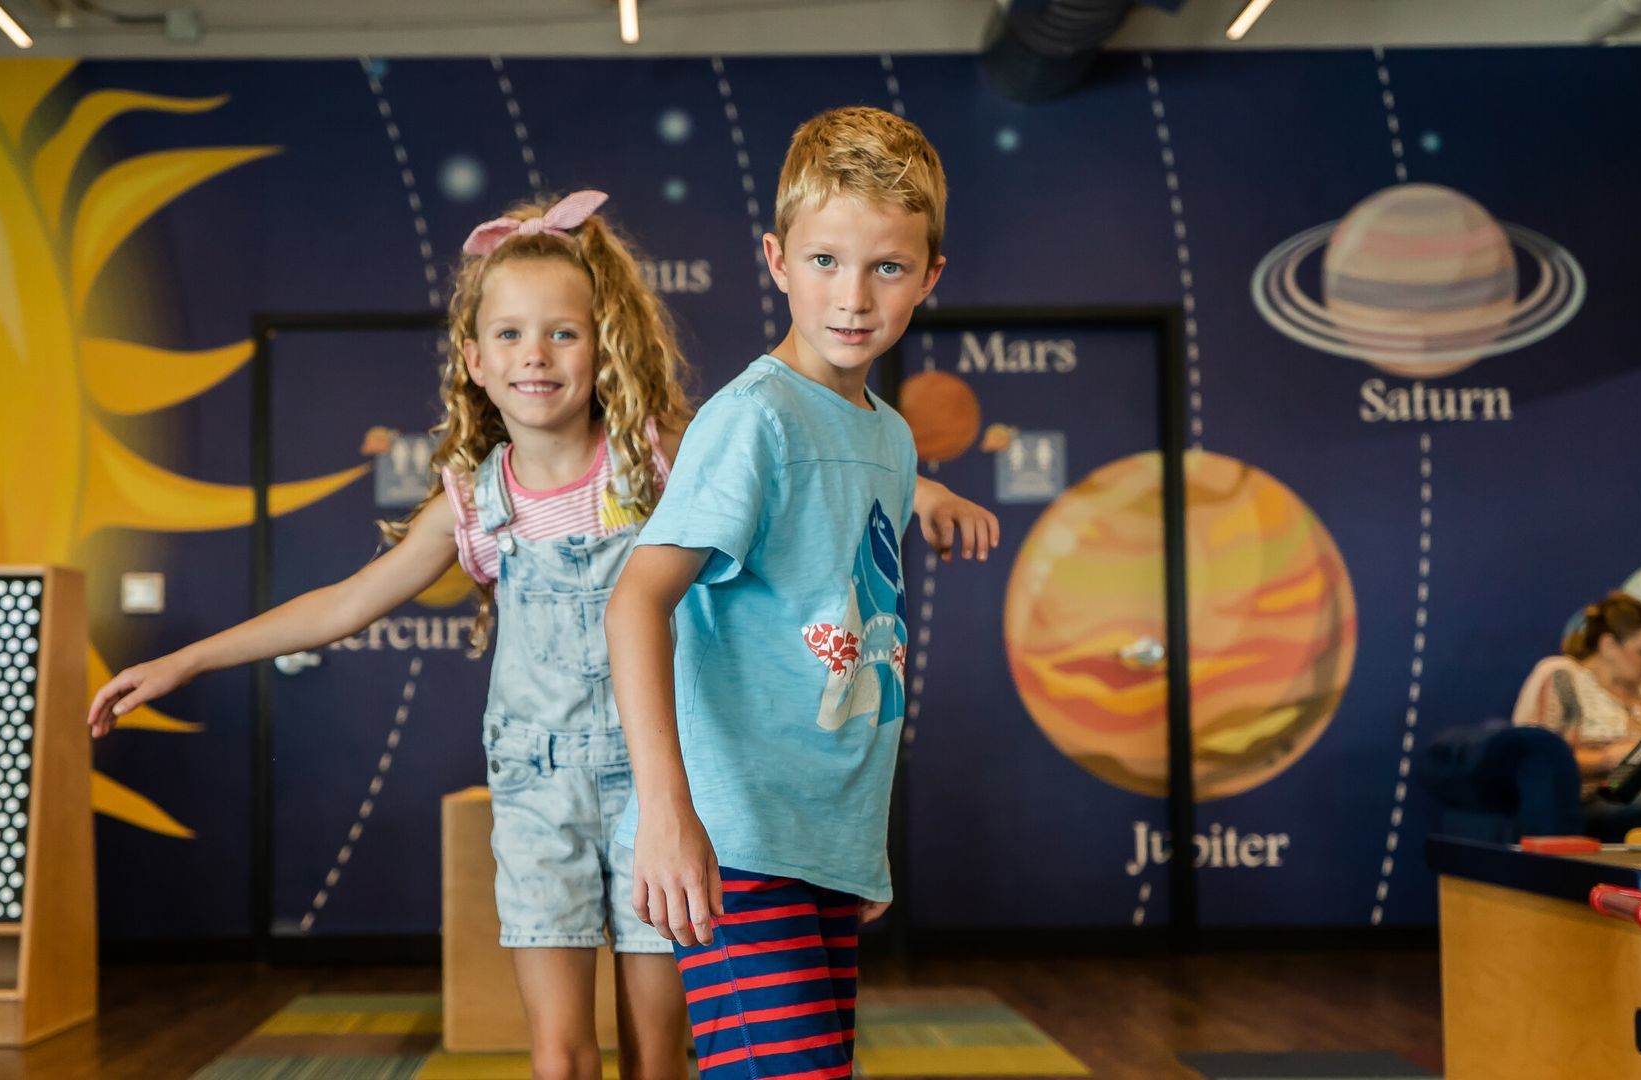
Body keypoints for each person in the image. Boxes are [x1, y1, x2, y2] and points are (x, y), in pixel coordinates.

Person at [88, 186, 992, 1080]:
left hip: (662, 780)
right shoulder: (477, 499)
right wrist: (186, 659)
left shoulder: (654, 454)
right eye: (512, 335)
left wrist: (929, 491)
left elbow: (799, 459)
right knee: (561, 1056)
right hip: (539, 793)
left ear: (604, 350)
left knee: (658, 1053)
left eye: (564, 332)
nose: (538, 356)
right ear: (474, 359)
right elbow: (346, 602)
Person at [606, 106, 996, 1079]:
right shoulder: (753, 421)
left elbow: (851, 619)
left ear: (930, 278)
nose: (853, 296)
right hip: (733, 836)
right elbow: (635, 602)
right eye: (824, 261)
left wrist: (857, 848)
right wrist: (666, 813)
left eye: (887, 267)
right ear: (777, 259)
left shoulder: (890, 437)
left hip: (824, 839)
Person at [1513, 591, 1641, 839]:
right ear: (1608, 645)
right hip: (1584, 802)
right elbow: (1534, 761)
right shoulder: (1562, 675)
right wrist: (1605, 760)